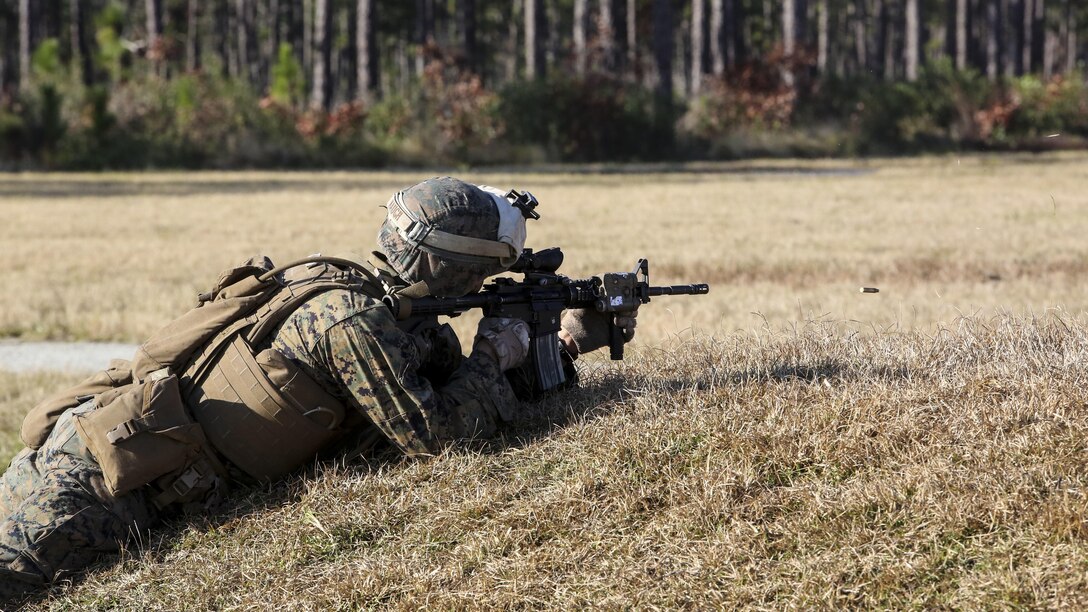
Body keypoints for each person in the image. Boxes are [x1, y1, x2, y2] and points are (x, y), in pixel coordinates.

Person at [0, 177, 636, 603]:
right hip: (93, 488)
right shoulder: (352, 320)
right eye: (491, 268)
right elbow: (436, 435)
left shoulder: (377, 304)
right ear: (454, 268)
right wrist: (496, 354)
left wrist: (566, 343)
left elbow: (442, 387)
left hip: (122, 465)